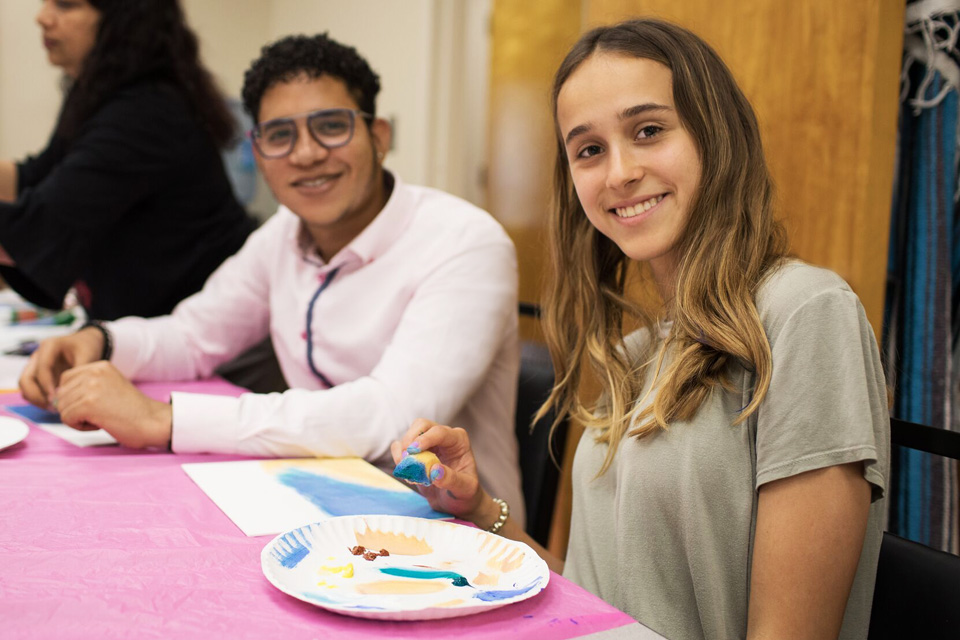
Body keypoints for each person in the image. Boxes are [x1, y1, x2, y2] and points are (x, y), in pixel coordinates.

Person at [389, 18, 889, 640]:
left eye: (648, 131)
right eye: (589, 149)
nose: (619, 172)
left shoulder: (806, 312)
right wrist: (476, 508)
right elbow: (600, 602)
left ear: (716, 135)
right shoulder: (637, 354)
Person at [19, 33, 525, 524]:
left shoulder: (464, 242)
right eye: (280, 135)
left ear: (378, 137)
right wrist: (100, 340)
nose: (305, 153)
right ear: (258, 154)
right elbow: (194, 335)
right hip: (315, 507)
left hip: (458, 539)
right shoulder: (284, 234)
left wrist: (164, 419)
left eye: (331, 126)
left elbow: (388, 416)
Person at [0, 0, 255, 320]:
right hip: (149, 322)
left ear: (122, 19)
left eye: (65, 5)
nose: (42, 17)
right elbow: (37, 175)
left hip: (201, 327)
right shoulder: (95, 93)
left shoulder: (146, 111)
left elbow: (47, 218)